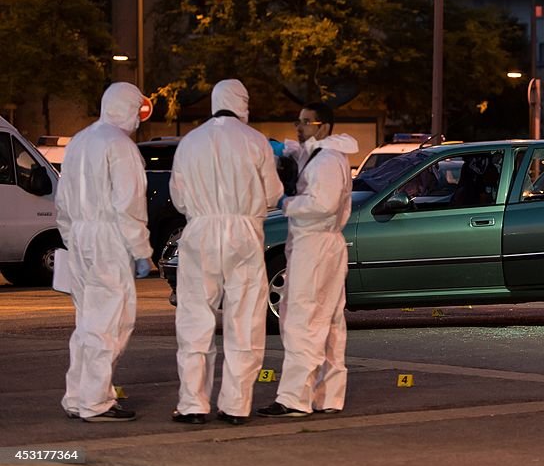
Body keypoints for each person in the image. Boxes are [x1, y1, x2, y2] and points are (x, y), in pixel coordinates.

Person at [169, 79, 284, 425]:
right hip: (244, 234)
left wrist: (203, 212)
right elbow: (273, 194)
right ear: (242, 103)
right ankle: (235, 405)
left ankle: (193, 404)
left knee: (194, 319)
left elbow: (179, 196)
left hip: (200, 232)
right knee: (245, 319)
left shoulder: (190, 142)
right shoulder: (255, 141)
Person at [56, 82, 151, 422]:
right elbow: (129, 205)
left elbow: (62, 200)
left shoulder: (80, 141)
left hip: (80, 237)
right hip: (108, 239)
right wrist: (141, 249)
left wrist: (72, 237)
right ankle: (96, 401)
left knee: (87, 321)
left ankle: (77, 396)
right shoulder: (120, 146)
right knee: (109, 322)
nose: (139, 120)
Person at [258, 103, 358, 418]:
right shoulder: (323, 156)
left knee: (303, 319)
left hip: (314, 245)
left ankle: (294, 398)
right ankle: (327, 396)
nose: (299, 127)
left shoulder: (327, 160)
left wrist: (287, 203)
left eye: (305, 121)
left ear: (323, 126)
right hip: (321, 245)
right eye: (297, 120)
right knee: (327, 322)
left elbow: (323, 204)